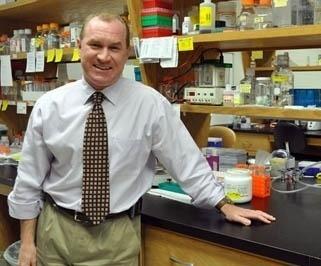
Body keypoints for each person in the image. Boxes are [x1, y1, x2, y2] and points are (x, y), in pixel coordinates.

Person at [8, 12, 276, 266]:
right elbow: (30, 178)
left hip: (116, 235)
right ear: (80, 46)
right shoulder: (50, 105)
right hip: (55, 228)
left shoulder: (151, 105)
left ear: (127, 52)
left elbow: (185, 161)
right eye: (95, 45)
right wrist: (28, 242)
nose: (104, 56)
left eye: (114, 47)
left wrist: (224, 204)